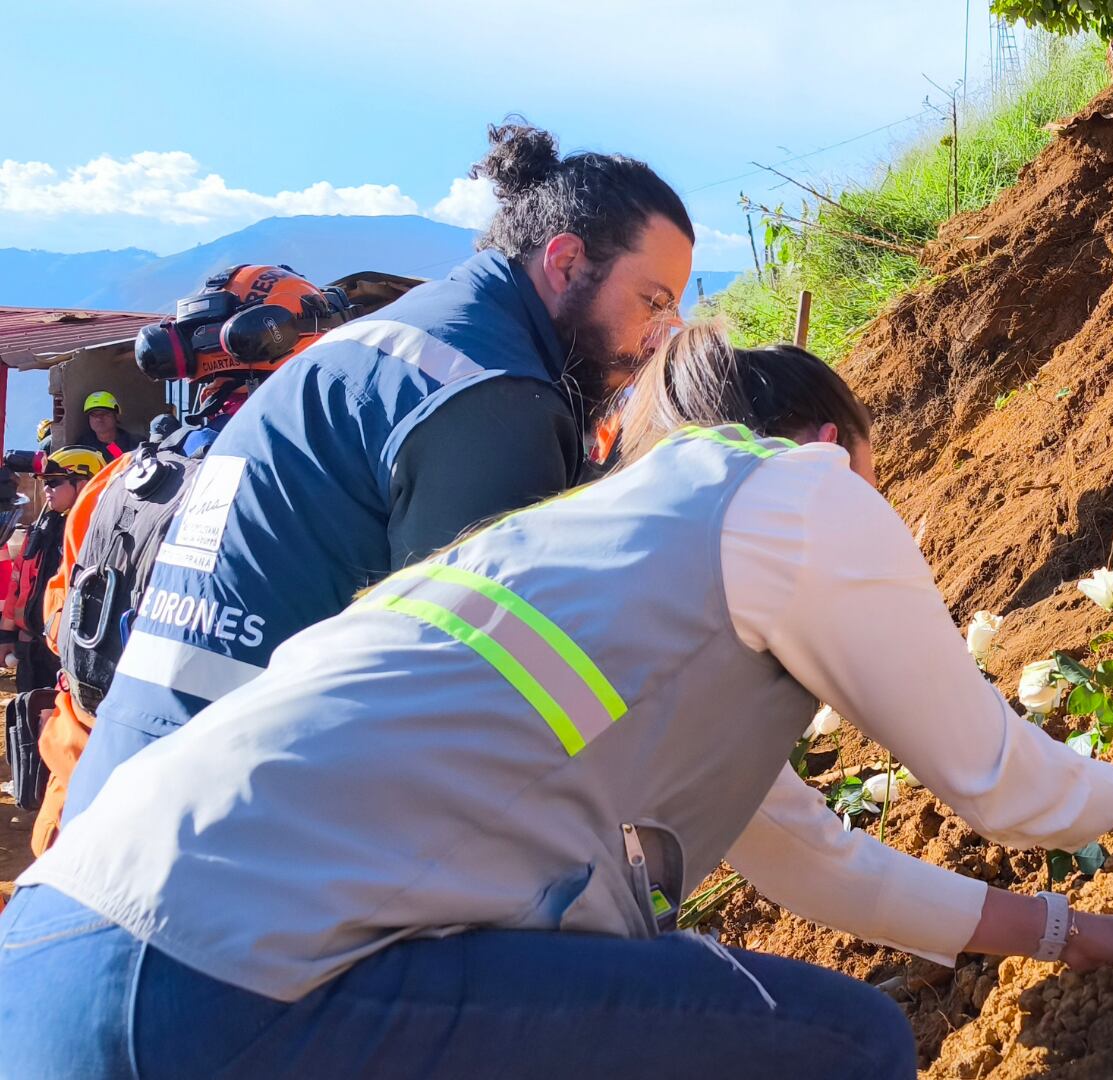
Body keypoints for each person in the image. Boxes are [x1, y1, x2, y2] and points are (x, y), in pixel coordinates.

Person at [0, 328, 1113, 1078]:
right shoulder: (801, 495)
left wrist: (1061, 935)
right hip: (209, 981)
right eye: (879, 486)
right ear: (827, 450)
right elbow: (997, 781)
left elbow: (816, 866)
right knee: (842, 1050)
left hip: (59, 955)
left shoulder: (601, 564)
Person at [62, 120, 697, 820]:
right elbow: (478, 702)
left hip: (137, 786)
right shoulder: (493, 397)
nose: (659, 338)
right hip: (235, 828)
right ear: (567, 262)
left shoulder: (399, 339)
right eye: (654, 301)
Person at [31, 266, 346, 854]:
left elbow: (61, 624)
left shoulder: (120, 480)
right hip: (206, 829)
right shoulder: (312, 490)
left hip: (79, 801)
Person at [1, 448, 107, 694]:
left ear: (83, 484)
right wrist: (6, 635)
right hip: (31, 649)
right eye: (45, 483)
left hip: (70, 655)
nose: (46, 490)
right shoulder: (42, 528)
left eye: (54, 482)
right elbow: (18, 583)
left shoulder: (95, 535)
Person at [74, 393, 138, 459]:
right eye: (94, 414)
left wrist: (112, 446)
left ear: (116, 415)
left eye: (104, 413)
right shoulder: (83, 446)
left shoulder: (133, 444)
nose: (99, 418)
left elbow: (123, 462)